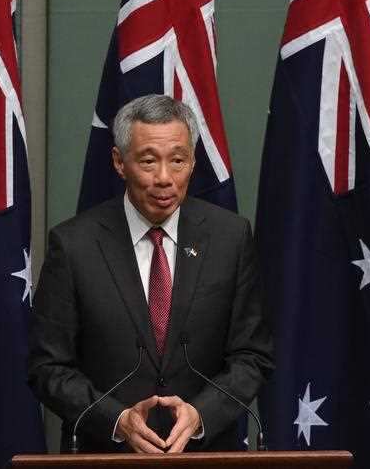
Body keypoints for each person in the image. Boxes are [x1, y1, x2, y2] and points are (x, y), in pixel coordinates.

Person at [28, 94, 274, 453]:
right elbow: (47, 366)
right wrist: (115, 420)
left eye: (177, 160)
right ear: (119, 162)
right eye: (148, 161)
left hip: (206, 455)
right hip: (108, 456)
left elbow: (253, 355)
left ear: (192, 162)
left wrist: (201, 414)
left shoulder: (230, 238)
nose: (164, 178)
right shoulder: (74, 245)